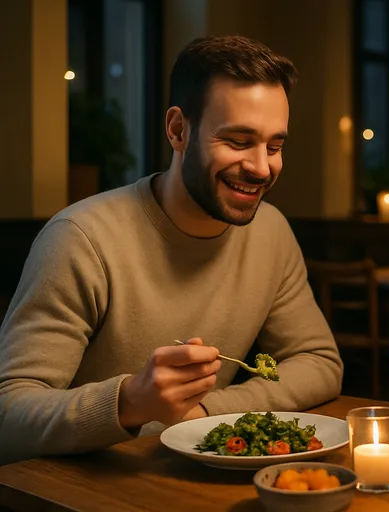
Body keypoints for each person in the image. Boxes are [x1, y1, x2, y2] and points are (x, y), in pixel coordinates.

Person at [0, 35, 343, 465]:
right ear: (178, 130)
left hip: (191, 480)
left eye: (274, 147)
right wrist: (128, 403)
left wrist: (204, 412)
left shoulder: (270, 232)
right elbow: (8, 415)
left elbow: (319, 362)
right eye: (238, 141)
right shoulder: (80, 238)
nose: (260, 167)